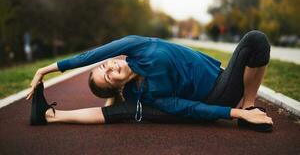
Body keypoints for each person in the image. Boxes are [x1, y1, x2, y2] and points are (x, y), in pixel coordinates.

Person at [26, 30, 274, 132]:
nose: (110, 67)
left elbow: (91, 55)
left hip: (223, 75)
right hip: (218, 94)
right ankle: (50, 116)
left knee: (256, 40)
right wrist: (237, 115)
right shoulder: (149, 94)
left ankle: (248, 103)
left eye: (105, 66)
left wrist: (45, 70)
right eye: (108, 77)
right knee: (256, 39)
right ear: (118, 87)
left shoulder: (136, 46)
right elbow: (191, 108)